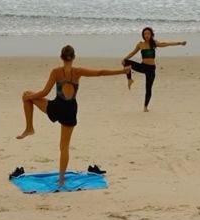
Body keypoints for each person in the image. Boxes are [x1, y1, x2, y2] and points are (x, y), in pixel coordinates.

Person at [17, 45, 130, 186]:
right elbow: (100, 72)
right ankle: (61, 179)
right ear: (74, 57)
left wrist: (30, 97)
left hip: (56, 108)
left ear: (61, 57)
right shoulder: (78, 71)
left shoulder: (56, 72)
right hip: (70, 110)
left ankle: (29, 128)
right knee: (64, 147)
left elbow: (45, 92)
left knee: (26, 94)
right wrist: (122, 71)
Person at [122, 27, 186, 112]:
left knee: (148, 88)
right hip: (143, 66)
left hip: (151, 69)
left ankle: (145, 107)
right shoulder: (140, 44)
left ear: (151, 35)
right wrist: (125, 58)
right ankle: (130, 79)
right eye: (145, 34)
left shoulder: (154, 43)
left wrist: (179, 43)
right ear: (143, 35)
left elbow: (166, 44)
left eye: (148, 33)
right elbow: (133, 53)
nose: (146, 35)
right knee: (125, 62)